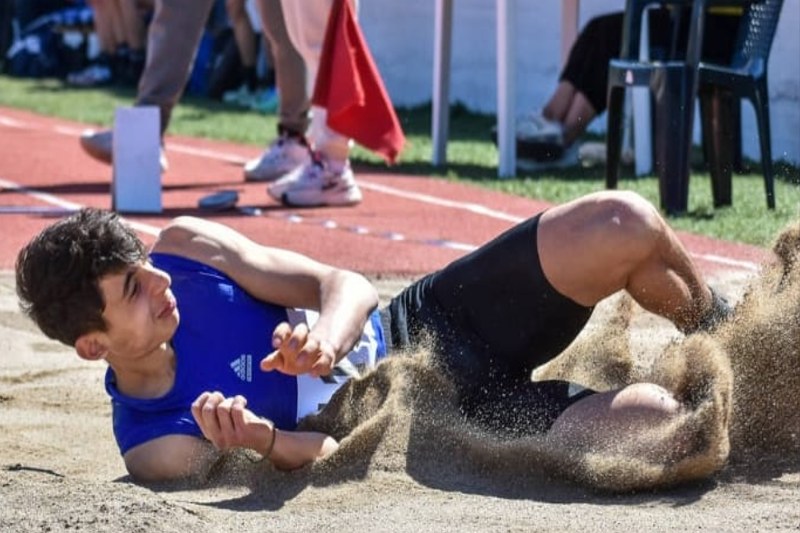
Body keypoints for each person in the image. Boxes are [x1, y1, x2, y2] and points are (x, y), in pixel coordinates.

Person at [15, 190, 732, 482]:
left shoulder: (187, 248)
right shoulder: (156, 442)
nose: (161, 283)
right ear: (93, 344)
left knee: (622, 221)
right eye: (135, 290)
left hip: (428, 322)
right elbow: (325, 454)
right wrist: (261, 439)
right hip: (429, 425)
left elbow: (345, 283)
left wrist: (326, 338)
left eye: (145, 267)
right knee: (673, 431)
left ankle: (729, 331)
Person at [513, 8, 741, 169]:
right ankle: (552, 118)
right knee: (597, 28)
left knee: (611, 35)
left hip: (717, 27)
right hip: (685, 18)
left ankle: (562, 138)